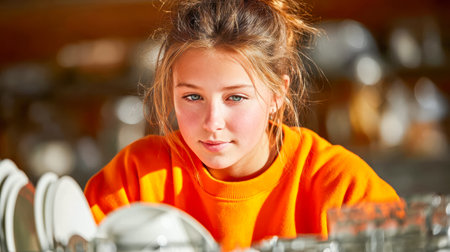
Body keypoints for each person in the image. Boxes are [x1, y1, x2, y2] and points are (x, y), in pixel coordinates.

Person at [84, 0, 399, 250]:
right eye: (193, 96)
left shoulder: (341, 186)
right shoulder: (135, 179)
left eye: (235, 98)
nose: (212, 123)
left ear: (277, 94)